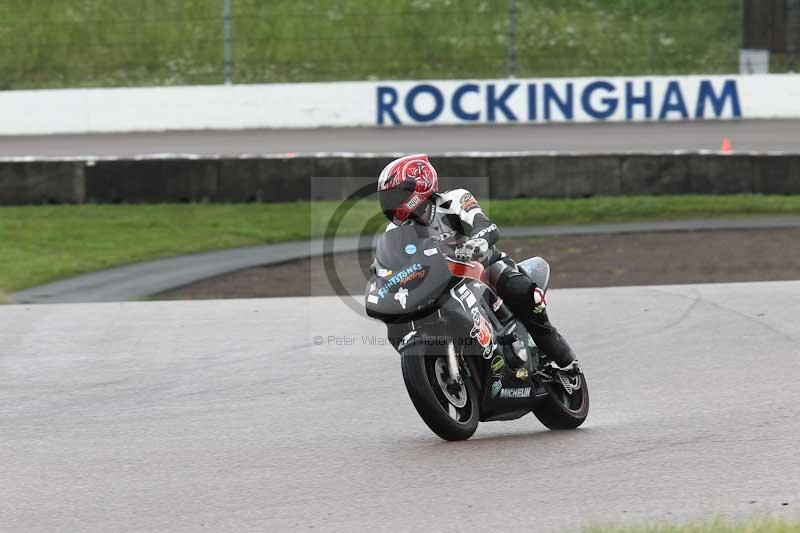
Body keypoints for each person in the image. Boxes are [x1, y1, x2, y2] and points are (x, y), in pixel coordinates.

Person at [375, 153, 576, 369]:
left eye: (396, 196)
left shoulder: (454, 200)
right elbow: (389, 262)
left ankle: (561, 357)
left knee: (518, 290)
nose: (390, 204)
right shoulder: (394, 231)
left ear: (420, 186)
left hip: (482, 265)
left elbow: (485, 224)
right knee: (398, 322)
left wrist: (476, 243)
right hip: (437, 281)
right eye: (387, 198)